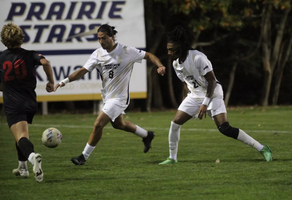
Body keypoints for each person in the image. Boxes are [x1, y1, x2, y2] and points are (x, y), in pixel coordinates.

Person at [159, 26, 272, 165]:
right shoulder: (176, 63)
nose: (169, 53)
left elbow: (211, 81)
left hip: (212, 94)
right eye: (168, 50)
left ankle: (262, 148)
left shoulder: (198, 57)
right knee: (175, 122)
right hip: (194, 96)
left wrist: (204, 104)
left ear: (180, 48)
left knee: (224, 128)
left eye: (171, 50)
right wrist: (185, 101)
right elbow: (186, 83)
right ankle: (172, 158)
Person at [55, 24, 166, 165]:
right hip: (108, 97)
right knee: (119, 124)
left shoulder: (127, 51)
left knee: (97, 125)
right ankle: (147, 135)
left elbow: (148, 55)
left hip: (120, 98)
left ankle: (83, 157)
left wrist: (160, 65)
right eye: (99, 39)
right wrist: (64, 81)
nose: (101, 42)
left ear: (112, 37)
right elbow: (83, 70)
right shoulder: (97, 54)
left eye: (104, 38)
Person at [0, 23, 55, 182]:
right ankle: (22, 168)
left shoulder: (1, 59)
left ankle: (33, 157)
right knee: (20, 135)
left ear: (4, 40)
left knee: (21, 136)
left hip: (13, 104)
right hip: (30, 102)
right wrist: (50, 82)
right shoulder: (30, 55)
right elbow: (46, 63)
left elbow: (0, 86)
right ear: (21, 38)